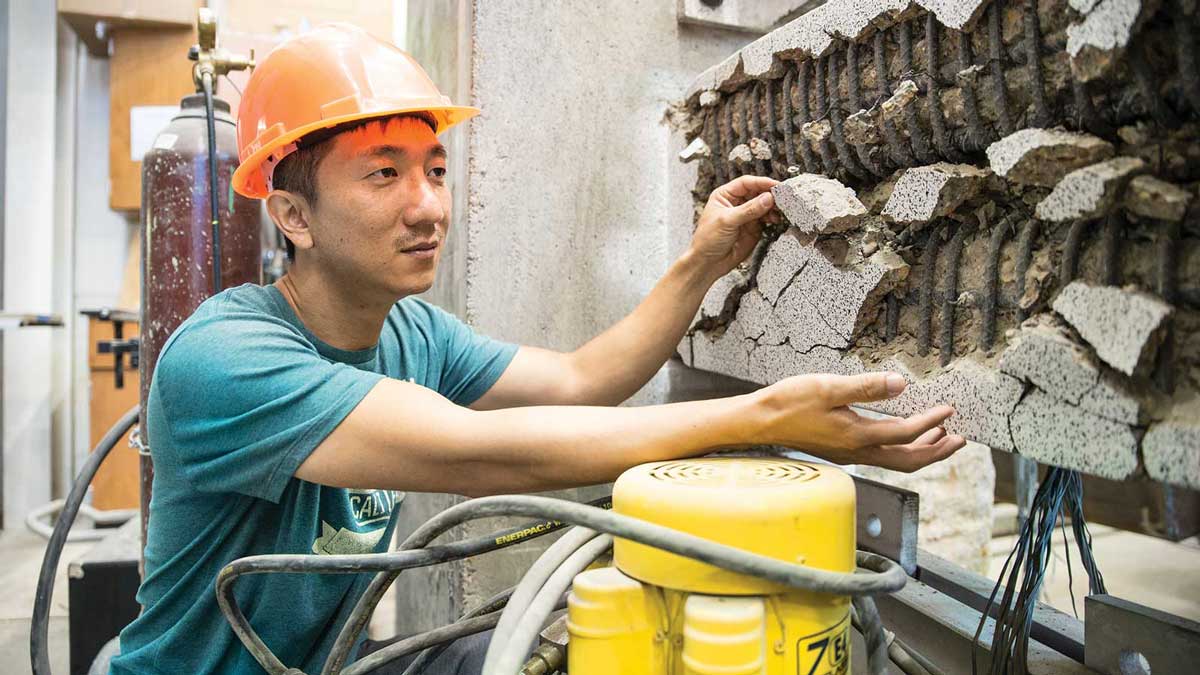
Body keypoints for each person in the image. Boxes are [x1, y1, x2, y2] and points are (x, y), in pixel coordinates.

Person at [110, 23, 964, 675]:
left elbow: (584, 380)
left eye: (435, 170)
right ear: (293, 216)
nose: (427, 207)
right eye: (383, 174)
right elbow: (487, 456)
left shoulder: (413, 332)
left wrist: (704, 261)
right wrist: (770, 415)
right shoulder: (225, 358)